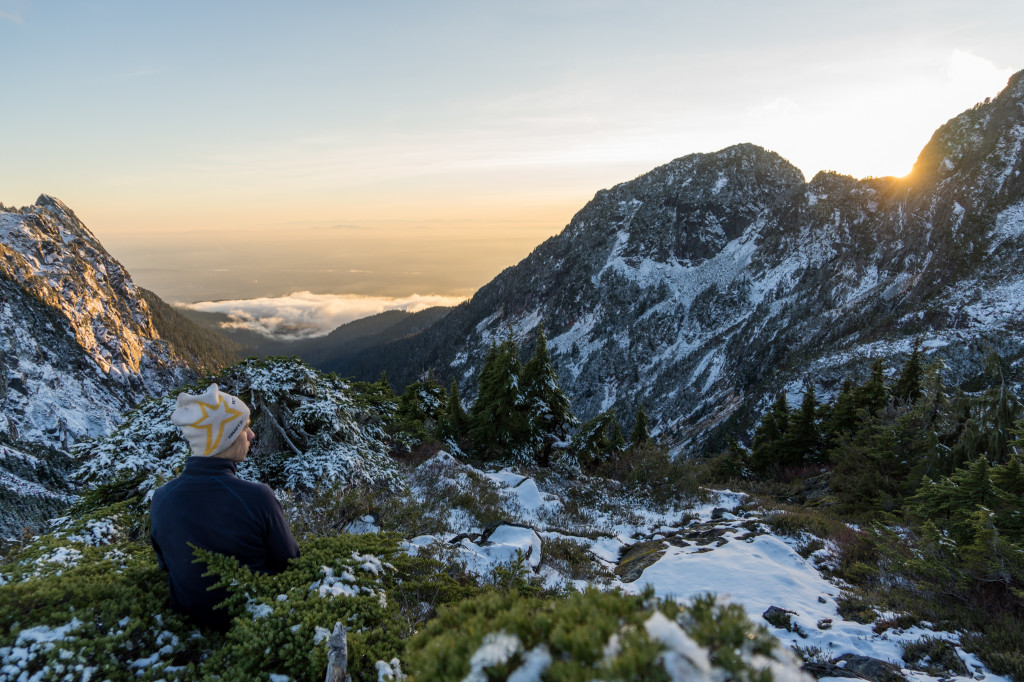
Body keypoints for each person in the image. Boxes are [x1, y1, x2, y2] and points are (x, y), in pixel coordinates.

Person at [150, 383, 300, 629]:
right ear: (224, 437)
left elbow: (167, 566)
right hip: (256, 627)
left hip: (189, 634)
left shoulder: (161, 499)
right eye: (245, 427)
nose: (252, 435)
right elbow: (291, 564)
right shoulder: (257, 497)